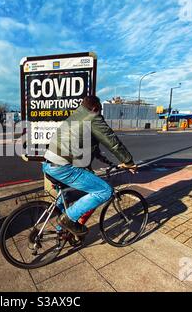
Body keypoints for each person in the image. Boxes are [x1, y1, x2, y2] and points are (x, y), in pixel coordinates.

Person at [42, 95, 137, 236]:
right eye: (100, 110)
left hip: (49, 164)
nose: (101, 113)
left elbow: (92, 149)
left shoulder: (76, 117)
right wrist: (129, 162)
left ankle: (61, 232)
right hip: (63, 167)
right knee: (104, 191)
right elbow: (113, 142)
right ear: (94, 108)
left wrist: (112, 163)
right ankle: (67, 219)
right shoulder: (93, 117)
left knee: (68, 200)